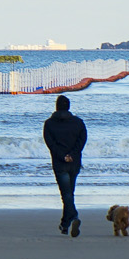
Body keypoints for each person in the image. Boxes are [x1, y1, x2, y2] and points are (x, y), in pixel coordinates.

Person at [43, 94, 88, 236]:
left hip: (59, 163)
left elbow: (51, 144)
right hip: (74, 163)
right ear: (68, 107)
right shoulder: (78, 122)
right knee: (69, 193)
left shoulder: (49, 124)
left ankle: (73, 217)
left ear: (56, 107)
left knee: (66, 194)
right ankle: (65, 224)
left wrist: (63, 156)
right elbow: (81, 141)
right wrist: (72, 155)